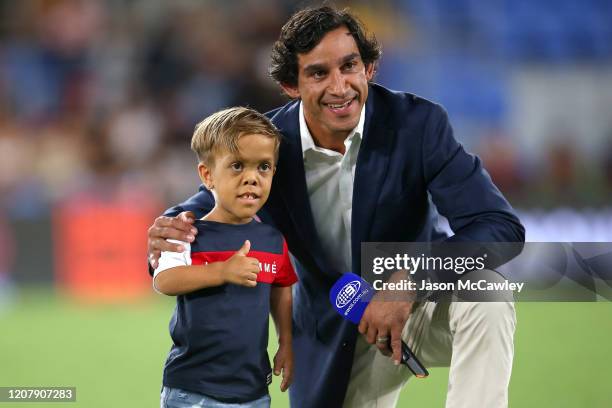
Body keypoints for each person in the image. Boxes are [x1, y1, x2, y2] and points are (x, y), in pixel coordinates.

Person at [147, 6, 525, 408]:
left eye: (349, 66)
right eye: (318, 73)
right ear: (291, 85)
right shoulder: (271, 145)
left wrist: (408, 280)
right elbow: (201, 207)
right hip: (338, 327)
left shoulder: (418, 125)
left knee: (488, 292)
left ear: (370, 69)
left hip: (418, 302)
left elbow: (499, 227)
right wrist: (168, 232)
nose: (340, 86)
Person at [153, 107, 297, 408]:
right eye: (237, 166)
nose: (252, 178)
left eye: (264, 167)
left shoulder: (272, 240)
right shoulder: (189, 233)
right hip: (194, 390)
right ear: (208, 175)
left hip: (253, 392)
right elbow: (165, 280)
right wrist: (222, 271)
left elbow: (282, 286)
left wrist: (286, 340)